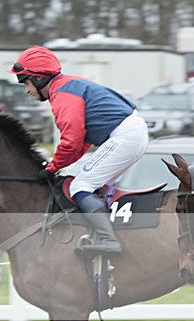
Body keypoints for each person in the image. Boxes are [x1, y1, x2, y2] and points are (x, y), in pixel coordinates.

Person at [10, 46, 147, 256]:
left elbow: (72, 140)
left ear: (38, 79)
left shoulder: (61, 94)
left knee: (80, 185)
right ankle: (104, 233)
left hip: (125, 135)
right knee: (90, 184)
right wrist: (56, 167)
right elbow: (80, 142)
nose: (27, 90)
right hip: (130, 133)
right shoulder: (68, 84)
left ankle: (108, 240)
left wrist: (52, 167)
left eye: (26, 83)